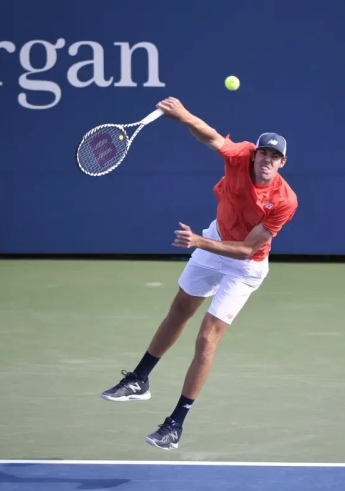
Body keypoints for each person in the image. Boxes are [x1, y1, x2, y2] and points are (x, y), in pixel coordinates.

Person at [99, 97, 298, 450]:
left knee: (207, 338)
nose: (267, 160)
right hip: (216, 237)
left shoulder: (284, 200)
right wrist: (182, 115)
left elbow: (247, 250)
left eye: (275, 157)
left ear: (283, 163)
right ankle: (139, 379)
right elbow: (211, 138)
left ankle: (175, 424)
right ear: (255, 155)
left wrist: (198, 242)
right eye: (264, 153)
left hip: (245, 267)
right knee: (178, 311)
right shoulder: (240, 156)